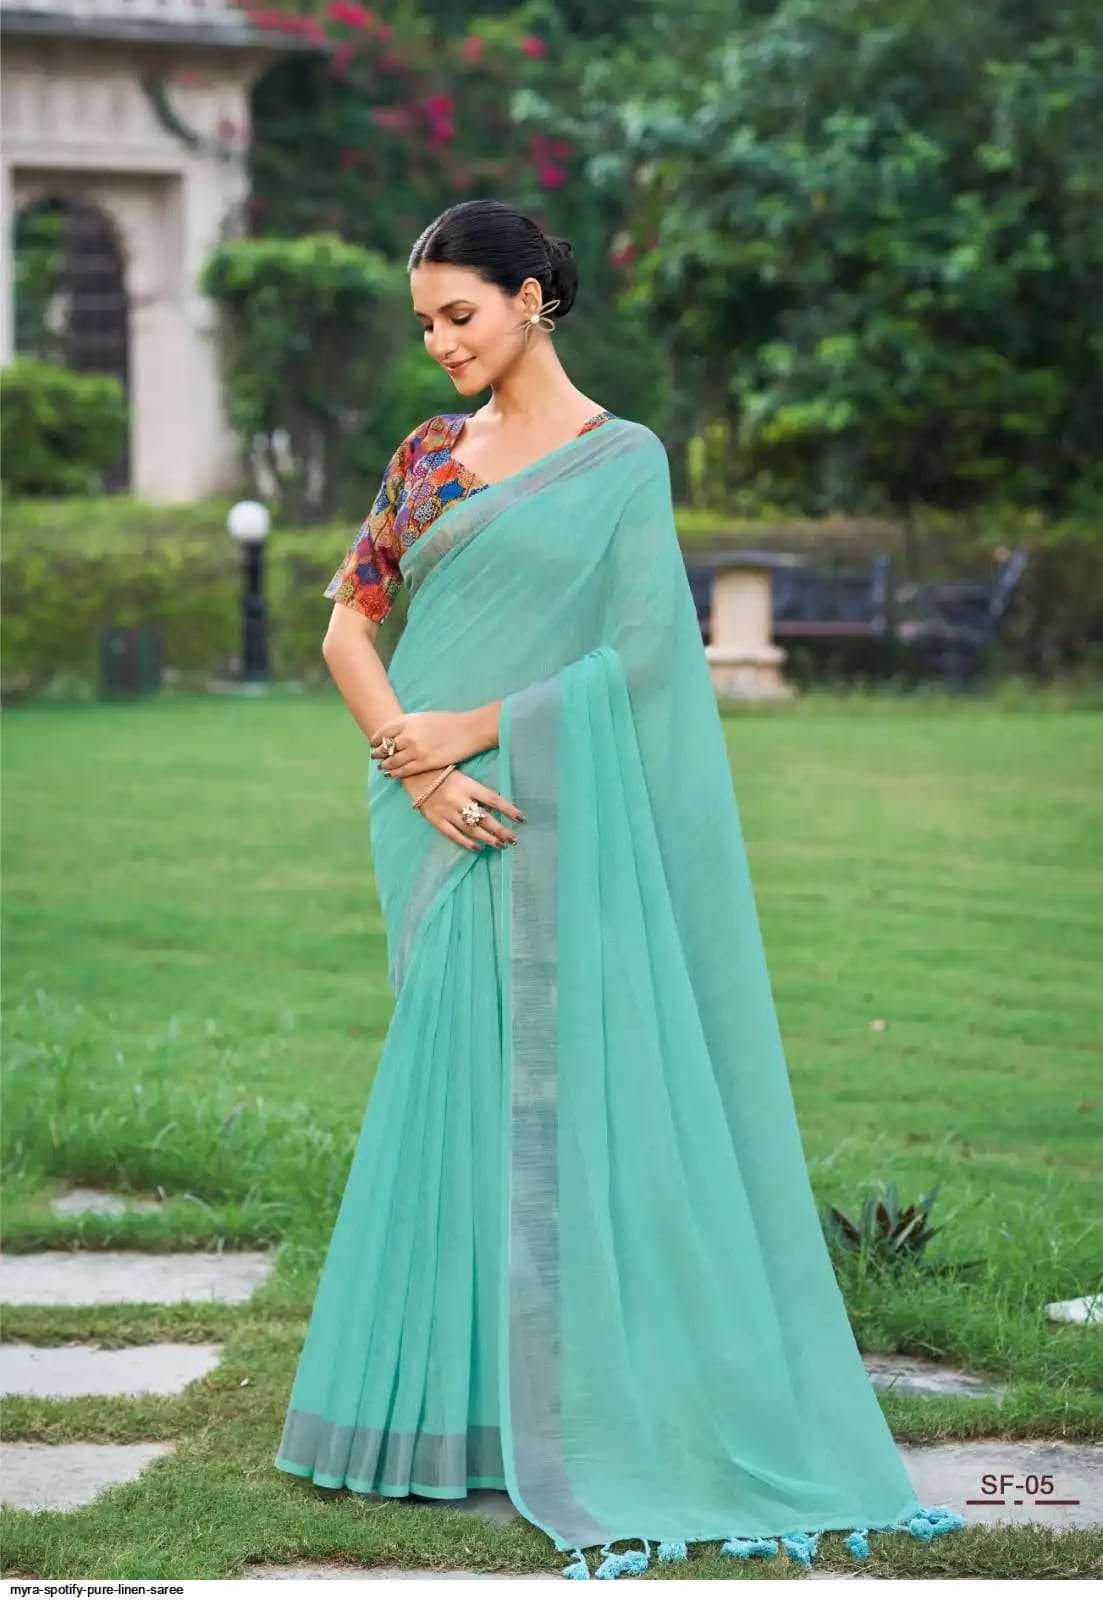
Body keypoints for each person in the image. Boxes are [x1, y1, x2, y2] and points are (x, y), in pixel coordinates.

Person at [274, 198, 965, 1579]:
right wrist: (415, 763)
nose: (441, 343)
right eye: (425, 323)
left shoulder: (621, 460)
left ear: (533, 297)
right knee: (450, 1080)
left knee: (537, 1092)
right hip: (432, 806)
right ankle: (429, 1417)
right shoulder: (427, 459)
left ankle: (536, 1410)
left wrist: (476, 730)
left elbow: (648, 661)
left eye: (459, 314)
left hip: (538, 791)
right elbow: (350, 624)